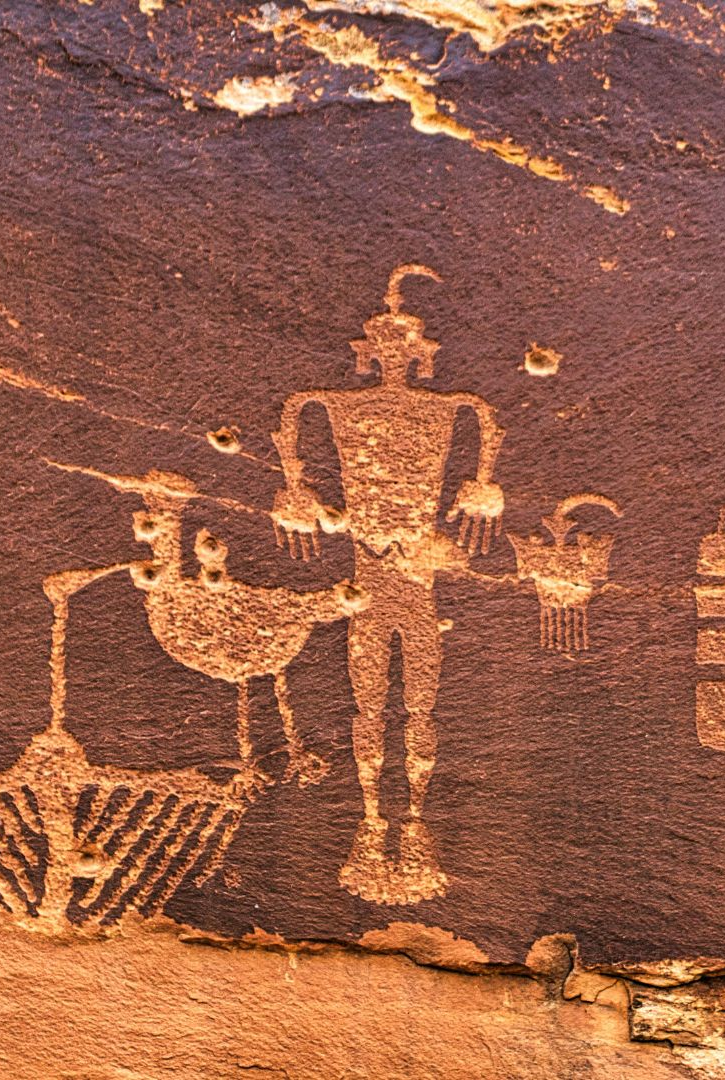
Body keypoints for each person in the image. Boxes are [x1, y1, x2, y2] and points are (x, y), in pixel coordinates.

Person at [271, 264, 504, 904]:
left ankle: (409, 821)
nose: (397, 358)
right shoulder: (340, 405)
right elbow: (293, 413)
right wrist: (294, 486)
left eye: (405, 349)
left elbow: (485, 425)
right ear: (371, 354)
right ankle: (375, 819)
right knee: (373, 704)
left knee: (413, 705)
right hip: (375, 577)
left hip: (402, 578)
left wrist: (483, 489)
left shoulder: (448, 409)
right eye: (387, 349)